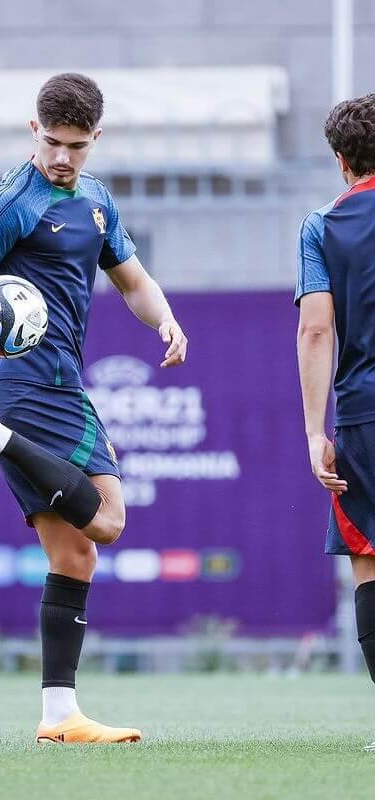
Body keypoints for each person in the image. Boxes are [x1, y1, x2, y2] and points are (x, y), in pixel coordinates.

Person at [0, 72, 187, 744]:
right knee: (108, 522)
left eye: (77, 145)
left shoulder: (96, 200)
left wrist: (165, 319)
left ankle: (58, 714)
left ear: (97, 138)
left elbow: (132, 279)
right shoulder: (11, 201)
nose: (62, 156)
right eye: (53, 142)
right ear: (32, 130)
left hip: (66, 388)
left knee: (75, 558)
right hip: (25, 389)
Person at [296, 93, 375, 751]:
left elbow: (316, 327)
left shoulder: (322, 225)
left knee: (370, 563)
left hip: (365, 417)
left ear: (341, 159)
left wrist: (315, 431)